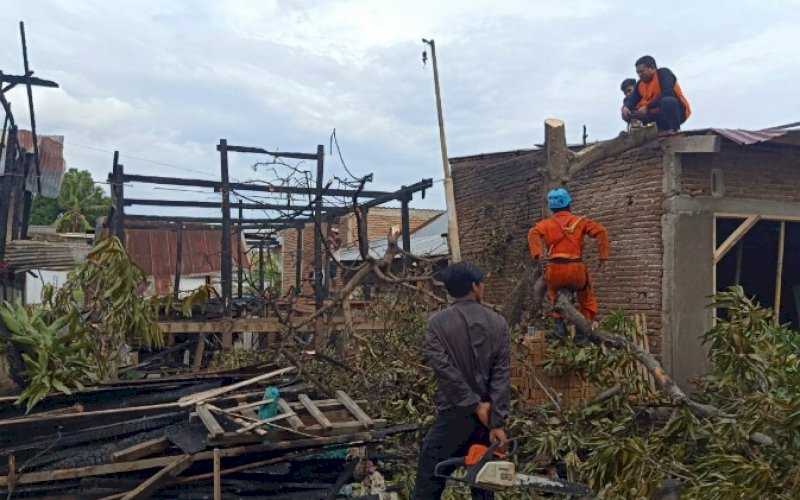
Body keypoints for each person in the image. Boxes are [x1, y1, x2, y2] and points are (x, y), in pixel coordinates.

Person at [412, 262, 510, 500]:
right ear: (475, 287)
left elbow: (445, 372)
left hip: (452, 417)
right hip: (486, 423)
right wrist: (496, 421)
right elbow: (501, 376)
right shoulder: (498, 323)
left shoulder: (436, 324)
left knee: (429, 478)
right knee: (485, 485)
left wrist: (473, 405)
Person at [527, 188, 609, 341]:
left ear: (551, 208)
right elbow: (601, 231)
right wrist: (602, 258)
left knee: (553, 293)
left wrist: (537, 254)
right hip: (575, 269)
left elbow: (533, 232)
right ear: (569, 204)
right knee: (587, 297)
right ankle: (582, 333)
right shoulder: (580, 221)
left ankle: (559, 325)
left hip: (555, 270)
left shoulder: (545, 224)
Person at [622, 55, 691, 134]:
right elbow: (632, 100)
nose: (640, 75)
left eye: (642, 71)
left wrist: (648, 107)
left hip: (677, 112)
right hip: (656, 115)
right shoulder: (639, 84)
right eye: (638, 72)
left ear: (652, 68)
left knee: (667, 101)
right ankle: (639, 132)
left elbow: (668, 92)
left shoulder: (663, 73)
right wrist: (626, 107)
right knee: (629, 112)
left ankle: (675, 129)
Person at [327, 227, 343, 292]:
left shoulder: (338, 239)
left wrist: (331, 240)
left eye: (331, 233)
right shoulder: (333, 240)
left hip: (335, 259)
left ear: (334, 233)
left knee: (333, 274)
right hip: (331, 259)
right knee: (331, 274)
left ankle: (336, 288)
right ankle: (334, 288)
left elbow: (336, 247)